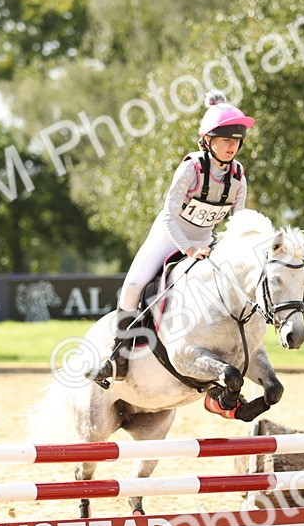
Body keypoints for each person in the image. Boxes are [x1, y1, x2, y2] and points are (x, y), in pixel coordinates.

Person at [93, 90, 255, 386]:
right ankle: (119, 357)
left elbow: (238, 223)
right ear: (208, 141)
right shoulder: (191, 168)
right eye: (225, 140)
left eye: (236, 141)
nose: (232, 146)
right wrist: (189, 249)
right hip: (170, 235)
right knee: (132, 286)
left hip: (208, 239)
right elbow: (168, 215)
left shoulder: (238, 176)